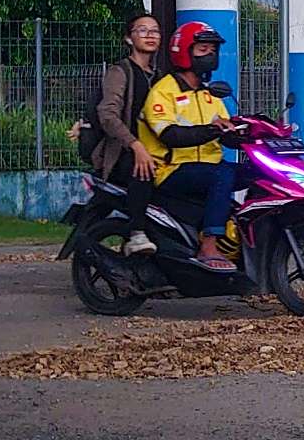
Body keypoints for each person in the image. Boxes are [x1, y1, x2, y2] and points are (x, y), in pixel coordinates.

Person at [139, 21, 238, 272]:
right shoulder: (163, 92)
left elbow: (224, 129)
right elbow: (170, 135)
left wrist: (246, 132)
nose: (210, 55)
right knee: (223, 174)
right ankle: (209, 245)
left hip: (206, 168)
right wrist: (212, 130)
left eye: (212, 50)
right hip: (172, 170)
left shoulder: (209, 95)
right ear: (184, 51)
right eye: (203, 49)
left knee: (259, 176)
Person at [93, 14, 161, 256]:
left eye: (155, 31)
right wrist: (136, 146)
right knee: (143, 170)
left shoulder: (160, 76)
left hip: (157, 150)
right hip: (124, 152)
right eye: (142, 30)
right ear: (128, 38)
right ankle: (137, 233)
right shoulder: (120, 71)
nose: (150, 35)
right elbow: (108, 114)